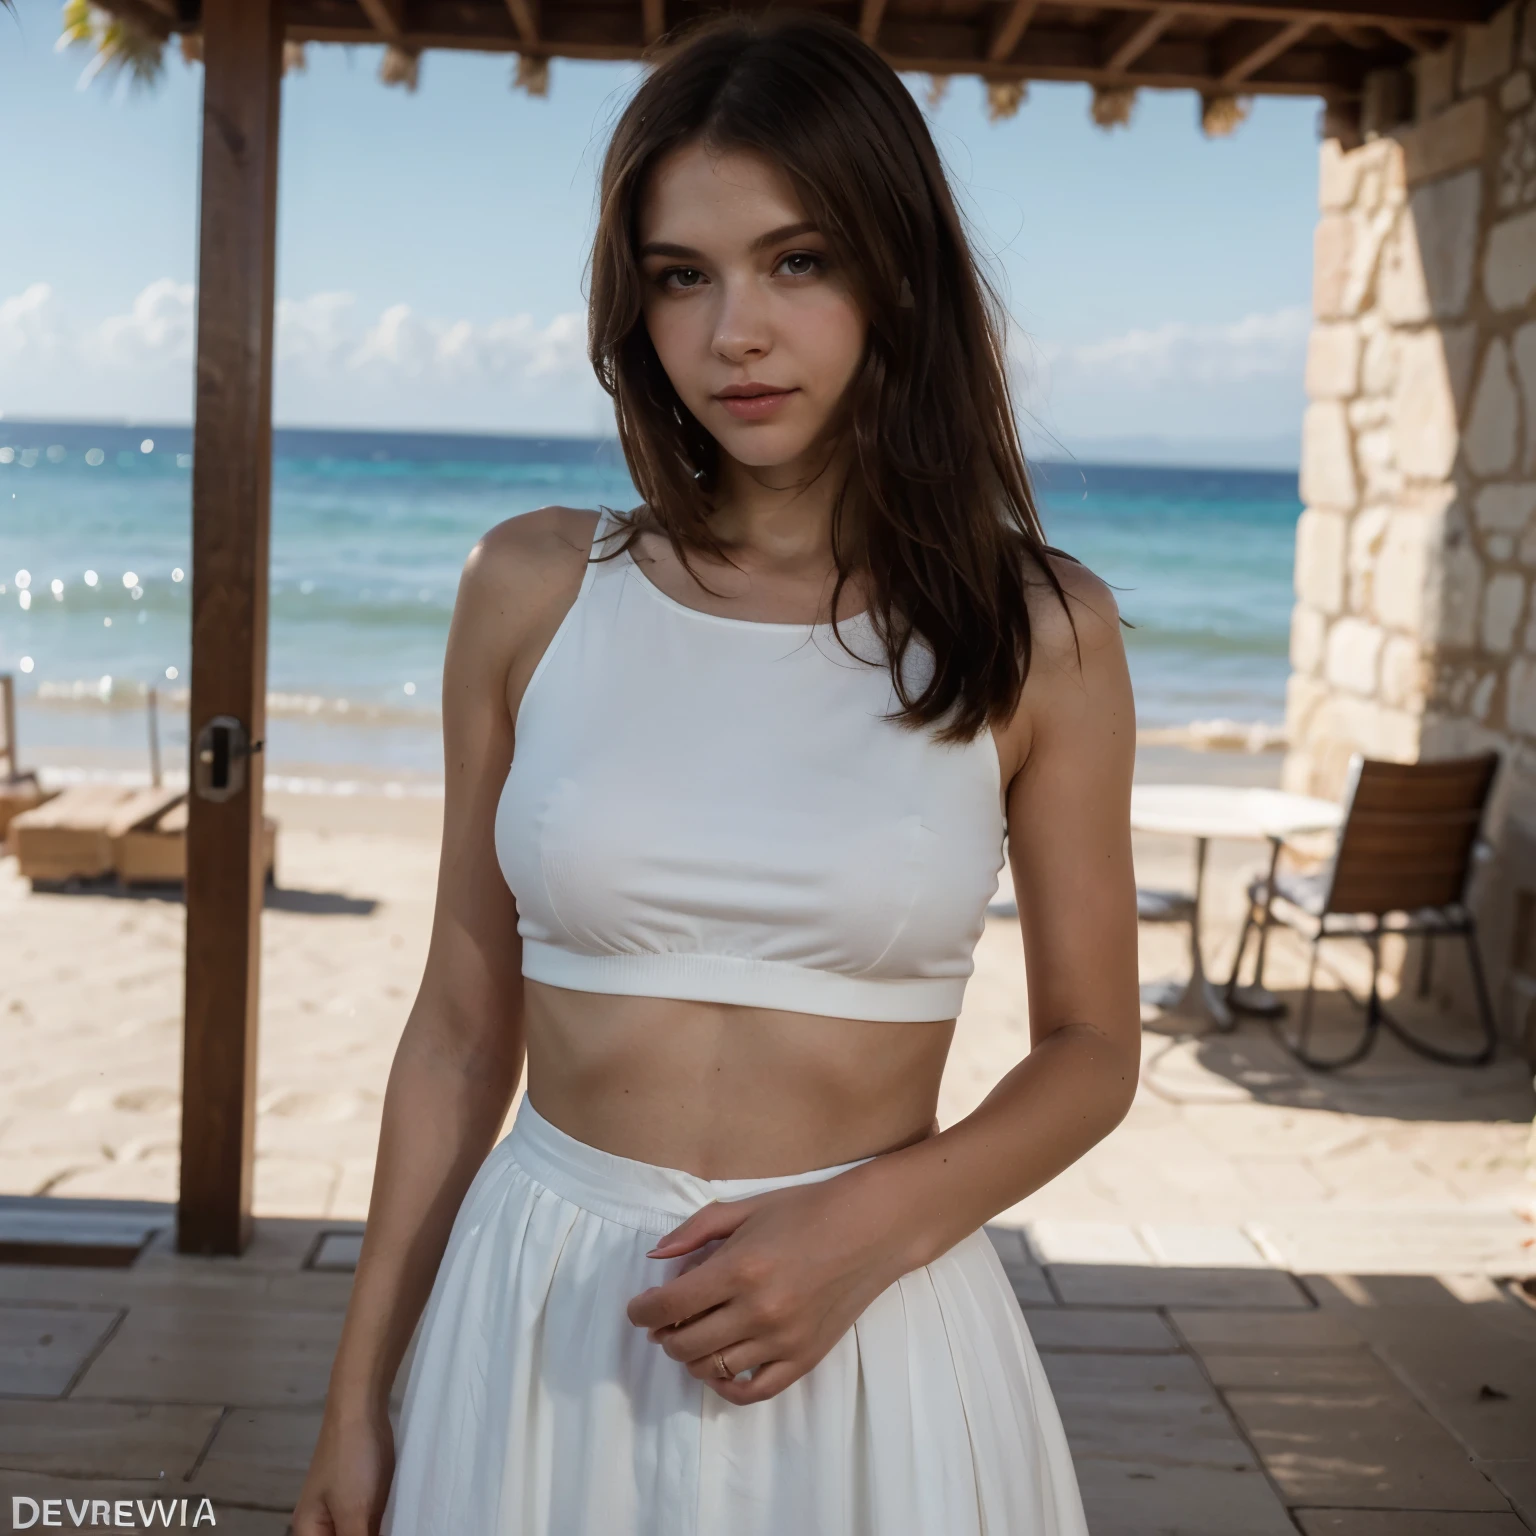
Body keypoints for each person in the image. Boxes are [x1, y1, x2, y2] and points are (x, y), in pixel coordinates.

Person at [293, 13, 1140, 1535]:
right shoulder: (533, 587)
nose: (733, 332)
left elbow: (1090, 1047)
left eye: (796, 260)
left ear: (897, 274)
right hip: (539, 1313)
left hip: (869, 1331)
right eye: (684, 275)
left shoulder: (1039, 630)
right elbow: (458, 1030)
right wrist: (359, 1400)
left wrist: (869, 1227)